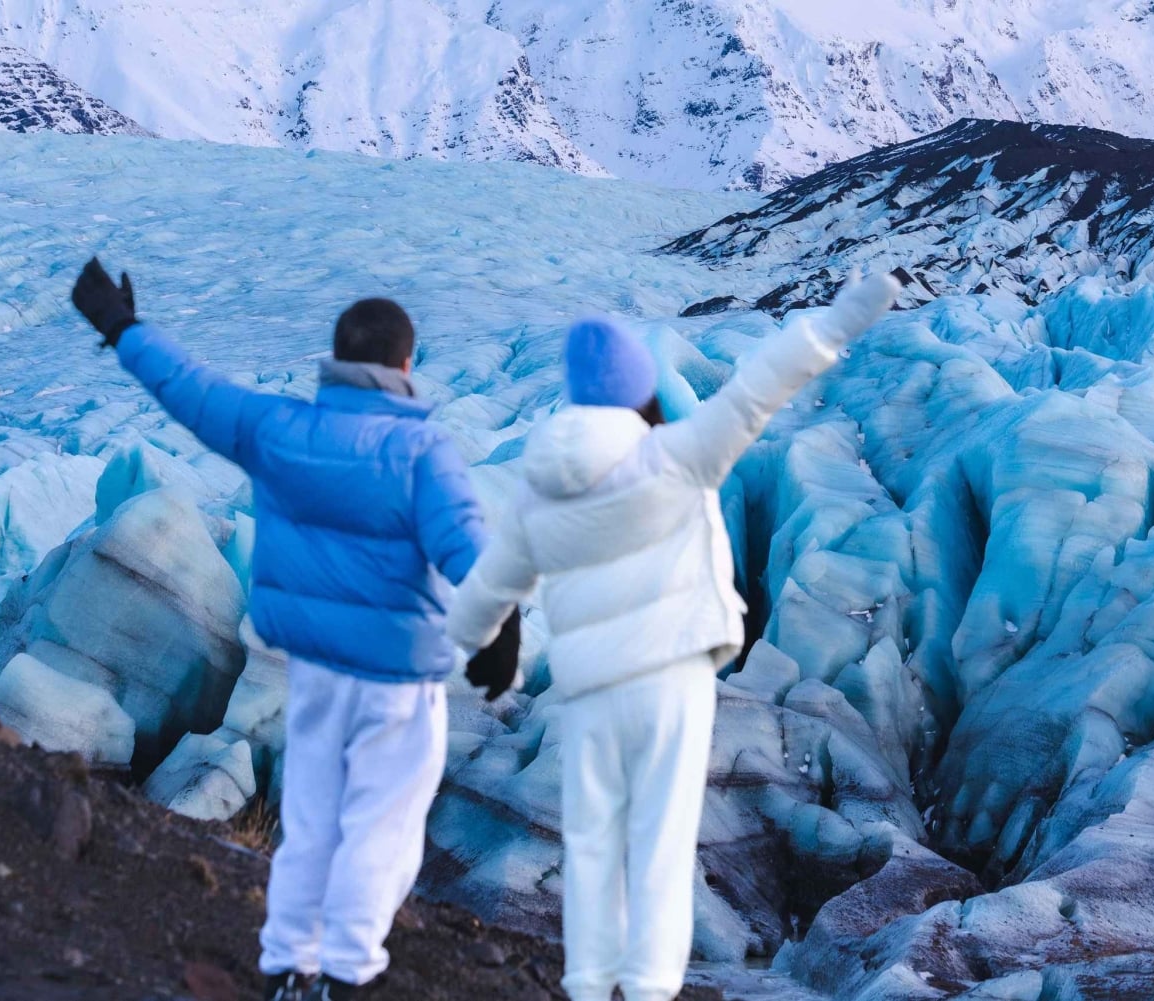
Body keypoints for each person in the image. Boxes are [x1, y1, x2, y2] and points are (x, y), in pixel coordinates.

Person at [69, 259, 521, 1001]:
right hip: (397, 683)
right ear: (406, 365)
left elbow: (189, 389)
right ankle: (347, 974)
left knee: (311, 821)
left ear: (339, 363)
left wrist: (122, 327)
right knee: (383, 827)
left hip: (310, 670)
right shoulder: (421, 450)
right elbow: (466, 548)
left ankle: (289, 965)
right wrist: (501, 627)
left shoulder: (281, 428)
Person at [443, 271, 901, 1001]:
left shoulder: (544, 484)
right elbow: (765, 380)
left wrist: (456, 651)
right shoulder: (680, 453)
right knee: (658, 843)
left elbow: (491, 587)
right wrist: (853, 310)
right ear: (643, 390)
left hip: (591, 684)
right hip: (673, 680)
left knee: (592, 841)